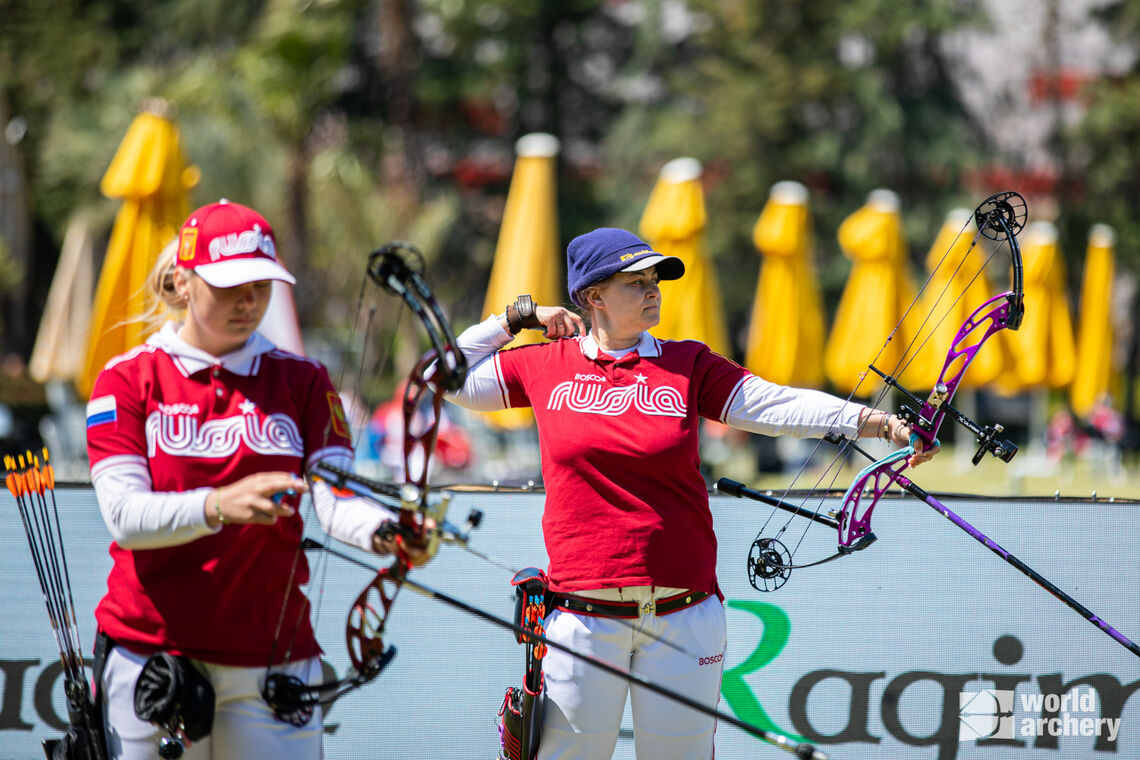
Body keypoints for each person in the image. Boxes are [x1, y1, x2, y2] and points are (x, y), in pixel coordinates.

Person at [445, 227, 936, 759]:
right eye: (636, 281)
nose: (653, 289)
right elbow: (442, 375)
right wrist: (517, 318)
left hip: (684, 616)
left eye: (655, 278)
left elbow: (776, 406)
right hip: (582, 619)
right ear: (592, 296)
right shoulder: (544, 363)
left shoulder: (687, 363)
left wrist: (880, 422)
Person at [86, 200, 429, 760]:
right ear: (183, 280)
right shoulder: (128, 379)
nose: (249, 301)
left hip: (276, 658)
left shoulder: (303, 380)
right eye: (230, 285)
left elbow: (337, 500)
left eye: (261, 285)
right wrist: (220, 503)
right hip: (153, 655)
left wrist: (389, 532)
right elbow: (125, 519)